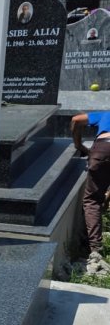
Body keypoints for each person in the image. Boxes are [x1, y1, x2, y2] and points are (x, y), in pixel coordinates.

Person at [71, 110, 110, 265]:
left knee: (92, 201)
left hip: (103, 147)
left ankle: (95, 250)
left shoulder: (106, 114)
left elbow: (76, 119)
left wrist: (78, 144)